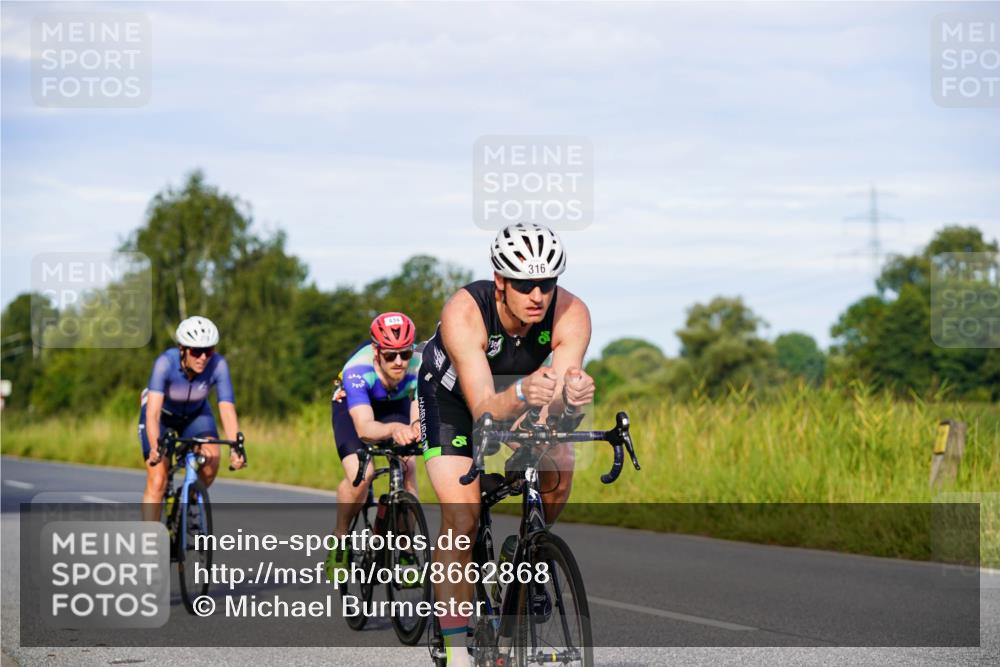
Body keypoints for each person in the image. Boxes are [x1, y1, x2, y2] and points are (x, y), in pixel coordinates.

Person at [418, 222, 595, 667]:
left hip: (521, 392)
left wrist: (568, 398)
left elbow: (558, 389)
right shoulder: (466, 311)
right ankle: (457, 648)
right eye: (524, 284)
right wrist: (521, 394)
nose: (537, 294)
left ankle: (530, 546)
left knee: (560, 462)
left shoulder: (572, 312)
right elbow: (483, 408)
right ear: (500, 281)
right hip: (452, 399)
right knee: (462, 515)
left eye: (547, 282)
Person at [324, 312, 422, 578]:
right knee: (361, 475)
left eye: (405, 353)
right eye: (391, 355)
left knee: (408, 468)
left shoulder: (419, 366)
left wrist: (413, 430)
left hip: (395, 406)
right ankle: (341, 537)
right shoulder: (358, 370)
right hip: (355, 409)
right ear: (377, 352)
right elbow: (365, 428)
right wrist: (394, 430)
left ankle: (405, 547)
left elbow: (416, 417)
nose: (400, 362)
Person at [140, 316, 245, 521]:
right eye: (196, 351)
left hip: (196, 415)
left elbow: (226, 408)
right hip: (162, 417)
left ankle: (187, 503)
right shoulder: (165, 363)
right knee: (158, 479)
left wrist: (235, 447)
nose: (203, 357)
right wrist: (155, 446)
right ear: (182, 349)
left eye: (209, 350)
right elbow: (152, 413)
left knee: (211, 460)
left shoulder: (218, 365)